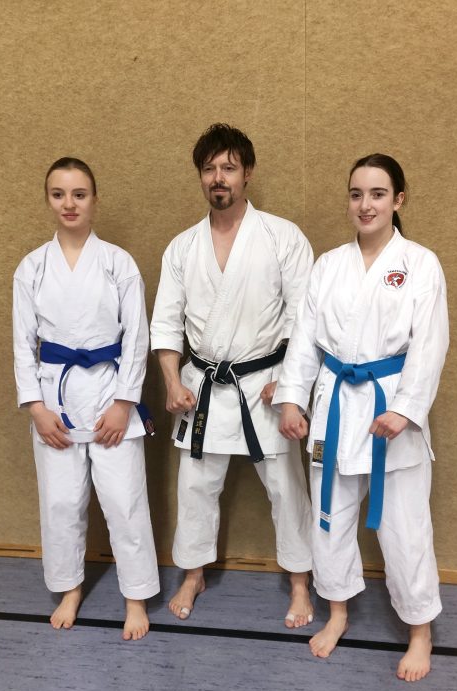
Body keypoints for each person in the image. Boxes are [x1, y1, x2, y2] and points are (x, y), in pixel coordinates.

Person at [273, 153, 449, 681]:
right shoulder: (328, 265)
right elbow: (305, 338)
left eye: (377, 194)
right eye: (356, 194)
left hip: (389, 408)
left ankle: (420, 632)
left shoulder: (420, 263)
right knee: (330, 518)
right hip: (334, 407)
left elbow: (431, 344)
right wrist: (292, 399)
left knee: (405, 528)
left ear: (399, 200)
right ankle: (338, 613)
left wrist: (405, 409)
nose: (365, 204)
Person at [150, 124, 315, 626]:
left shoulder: (282, 237)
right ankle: (194, 574)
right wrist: (172, 381)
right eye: (209, 169)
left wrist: (290, 383)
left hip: (266, 384)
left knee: (287, 488)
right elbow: (166, 322)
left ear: (248, 174)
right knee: (195, 487)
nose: (218, 177)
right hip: (203, 386)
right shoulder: (183, 247)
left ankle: (300, 582)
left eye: (228, 167)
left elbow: (304, 317)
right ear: (200, 176)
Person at [13, 157, 160, 641]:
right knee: (60, 502)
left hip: (109, 391)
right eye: (58, 194)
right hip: (55, 396)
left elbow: (137, 337)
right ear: (48, 200)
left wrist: (123, 402)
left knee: (124, 500)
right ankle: (69, 588)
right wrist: (36, 408)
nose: (69, 204)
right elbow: (22, 344)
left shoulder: (118, 263)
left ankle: (135, 596)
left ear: (95, 199)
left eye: (79, 194)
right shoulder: (32, 268)